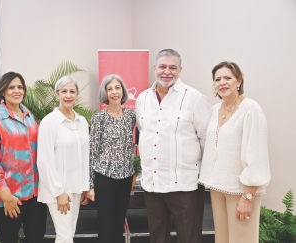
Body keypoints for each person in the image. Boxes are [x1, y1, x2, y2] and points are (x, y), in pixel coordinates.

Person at [135, 49, 212, 243]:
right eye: (162, 66)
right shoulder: (142, 99)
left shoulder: (195, 98)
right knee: (157, 237)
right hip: (152, 184)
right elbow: (144, 135)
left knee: (189, 237)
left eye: (172, 67)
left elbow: (207, 141)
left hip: (185, 185)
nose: (167, 71)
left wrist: (205, 177)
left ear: (180, 69)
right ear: (155, 68)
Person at [198, 61, 271, 243]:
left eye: (227, 78)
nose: (222, 82)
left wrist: (247, 196)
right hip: (218, 186)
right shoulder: (215, 110)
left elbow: (257, 155)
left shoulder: (250, 109)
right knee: (222, 240)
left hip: (240, 190)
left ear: (239, 81)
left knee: (242, 240)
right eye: (217, 79)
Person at [0, 72, 47, 243]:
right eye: (11, 87)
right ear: (2, 91)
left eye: (20, 87)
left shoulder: (30, 118)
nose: (17, 91)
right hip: (8, 198)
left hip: (35, 195)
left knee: (36, 238)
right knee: (8, 239)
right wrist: (7, 197)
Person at [37, 76, 90, 243]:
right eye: (64, 91)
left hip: (76, 188)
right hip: (58, 190)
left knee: (69, 234)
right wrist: (58, 192)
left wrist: (84, 187)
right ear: (57, 94)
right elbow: (44, 161)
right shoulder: (49, 122)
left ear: (77, 94)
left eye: (72, 91)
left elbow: (85, 156)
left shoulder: (82, 122)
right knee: (65, 237)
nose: (68, 95)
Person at [87, 74, 136, 243]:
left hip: (125, 178)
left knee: (119, 223)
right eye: (110, 89)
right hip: (104, 178)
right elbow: (92, 152)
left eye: (117, 87)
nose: (114, 92)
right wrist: (91, 185)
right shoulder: (99, 118)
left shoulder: (131, 116)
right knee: (105, 225)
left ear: (123, 91)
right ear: (105, 94)